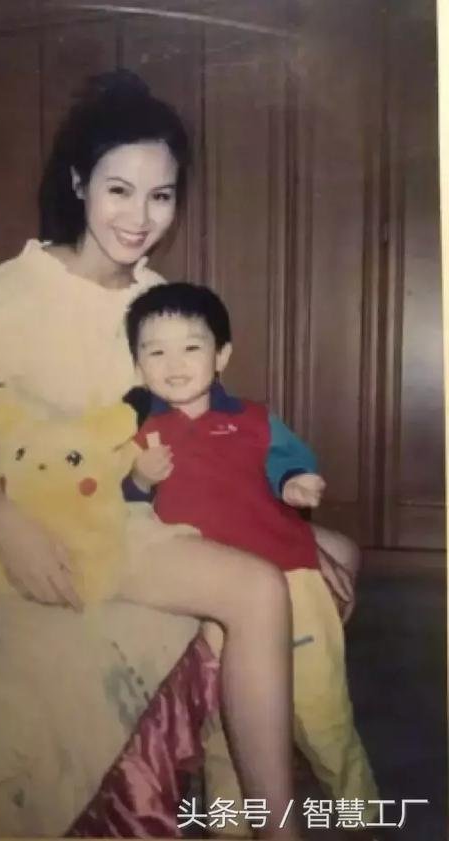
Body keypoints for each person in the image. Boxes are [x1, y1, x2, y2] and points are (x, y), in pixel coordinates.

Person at [0, 68, 338, 840]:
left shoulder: (155, 300)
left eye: (161, 195)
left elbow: (197, 439)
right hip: (61, 528)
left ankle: (242, 781)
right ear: (79, 182)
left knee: (333, 552)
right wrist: (8, 526)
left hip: (140, 510)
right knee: (259, 590)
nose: (140, 216)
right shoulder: (18, 289)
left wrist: (281, 512)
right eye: (119, 190)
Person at [122, 281, 380, 830]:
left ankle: (360, 813)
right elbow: (123, 511)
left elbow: (288, 459)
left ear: (221, 355)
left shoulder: (254, 418)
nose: (173, 364)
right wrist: (138, 480)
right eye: (155, 351)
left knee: (323, 716)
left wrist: (294, 483)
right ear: (137, 364)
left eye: (191, 347)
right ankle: (232, 827)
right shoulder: (137, 433)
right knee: (225, 732)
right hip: (213, 594)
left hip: (290, 582)